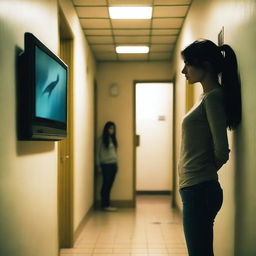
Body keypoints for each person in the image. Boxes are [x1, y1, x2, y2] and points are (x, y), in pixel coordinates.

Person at [179, 39, 241, 256]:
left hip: (199, 189)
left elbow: (222, 151)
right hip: (196, 188)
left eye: (188, 64)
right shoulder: (205, 96)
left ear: (205, 65)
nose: (183, 70)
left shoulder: (213, 98)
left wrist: (201, 172)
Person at [96, 121, 118, 212]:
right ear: (106, 129)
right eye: (110, 128)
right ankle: (105, 205)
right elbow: (97, 153)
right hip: (105, 165)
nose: (111, 130)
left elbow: (114, 152)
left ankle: (107, 204)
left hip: (113, 165)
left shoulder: (113, 139)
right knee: (106, 185)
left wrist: (116, 164)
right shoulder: (101, 139)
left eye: (113, 128)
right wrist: (98, 166)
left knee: (109, 185)